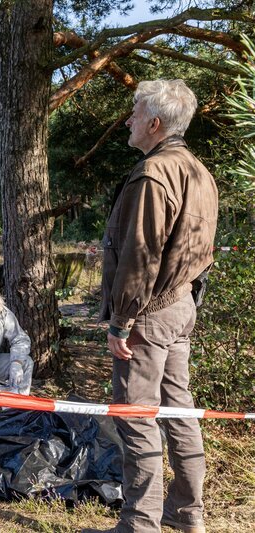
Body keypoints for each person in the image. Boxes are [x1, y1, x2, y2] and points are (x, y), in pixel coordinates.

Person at [99, 79, 217, 533]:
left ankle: (139, 525)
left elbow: (141, 253)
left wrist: (122, 320)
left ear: (154, 123)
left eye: (133, 112)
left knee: (136, 416)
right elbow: (198, 250)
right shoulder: (199, 172)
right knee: (179, 411)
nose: (127, 120)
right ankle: (188, 516)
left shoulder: (155, 172)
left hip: (149, 311)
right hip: (181, 305)